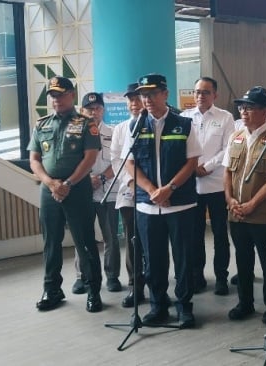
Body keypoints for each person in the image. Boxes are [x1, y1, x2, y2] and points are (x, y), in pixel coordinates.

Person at [125, 73, 201, 328]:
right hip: (147, 205)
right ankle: (158, 306)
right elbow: (131, 164)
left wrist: (168, 189)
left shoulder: (184, 123)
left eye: (152, 94)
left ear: (165, 94)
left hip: (180, 203)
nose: (146, 99)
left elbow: (192, 161)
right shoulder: (134, 126)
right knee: (152, 259)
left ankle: (184, 307)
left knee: (183, 258)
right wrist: (153, 191)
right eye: (143, 95)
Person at [28, 76, 103, 313]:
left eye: (60, 94)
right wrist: (51, 183)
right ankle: (52, 290)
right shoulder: (41, 124)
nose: (56, 99)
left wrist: (68, 183)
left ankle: (93, 291)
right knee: (51, 242)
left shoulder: (85, 123)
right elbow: (34, 160)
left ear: (71, 94)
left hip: (77, 189)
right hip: (49, 192)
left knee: (85, 242)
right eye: (52, 95)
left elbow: (90, 157)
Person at [223, 86, 266, 324]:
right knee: (242, 259)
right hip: (236, 213)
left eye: (250, 108)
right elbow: (227, 172)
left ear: (265, 111)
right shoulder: (236, 136)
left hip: (263, 214)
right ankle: (245, 303)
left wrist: (252, 203)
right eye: (242, 107)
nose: (244, 112)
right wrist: (230, 200)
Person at [180, 77, 235, 296]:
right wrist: (192, 167)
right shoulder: (184, 118)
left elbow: (228, 148)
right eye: (197, 92)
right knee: (194, 235)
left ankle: (221, 277)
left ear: (215, 95)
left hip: (217, 185)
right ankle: (197, 276)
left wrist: (208, 166)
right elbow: (180, 148)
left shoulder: (225, 117)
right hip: (191, 185)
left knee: (220, 234)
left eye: (205, 92)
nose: (200, 96)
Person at [70, 92, 122, 295]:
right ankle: (82, 277)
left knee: (111, 237)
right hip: (83, 193)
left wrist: (100, 178)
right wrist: (86, 180)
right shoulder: (74, 133)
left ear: (103, 110)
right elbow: (71, 162)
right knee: (81, 237)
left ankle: (112, 276)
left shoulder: (113, 132)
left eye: (98, 108)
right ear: (82, 111)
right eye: (89, 109)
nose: (94, 112)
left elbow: (118, 162)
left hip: (108, 191)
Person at [110, 82, 147, 308]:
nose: (134, 103)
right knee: (133, 241)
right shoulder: (120, 129)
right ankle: (135, 285)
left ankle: (156, 283)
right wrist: (131, 182)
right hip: (128, 192)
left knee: (154, 241)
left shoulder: (156, 125)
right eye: (130, 100)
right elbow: (117, 159)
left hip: (153, 192)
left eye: (138, 98)